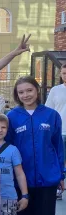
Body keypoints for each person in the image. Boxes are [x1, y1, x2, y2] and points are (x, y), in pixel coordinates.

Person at [6, 77, 63, 215]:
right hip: (22, 178)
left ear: (37, 90)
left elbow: (58, 145)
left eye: (29, 90)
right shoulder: (12, 117)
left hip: (47, 177)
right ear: (17, 95)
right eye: (21, 92)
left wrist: (61, 174)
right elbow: (8, 146)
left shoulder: (51, 115)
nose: (26, 95)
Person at [44, 62, 66, 200]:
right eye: (64, 73)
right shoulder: (55, 90)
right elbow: (48, 111)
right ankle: (58, 188)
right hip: (60, 131)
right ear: (61, 74)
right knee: (59, 161)